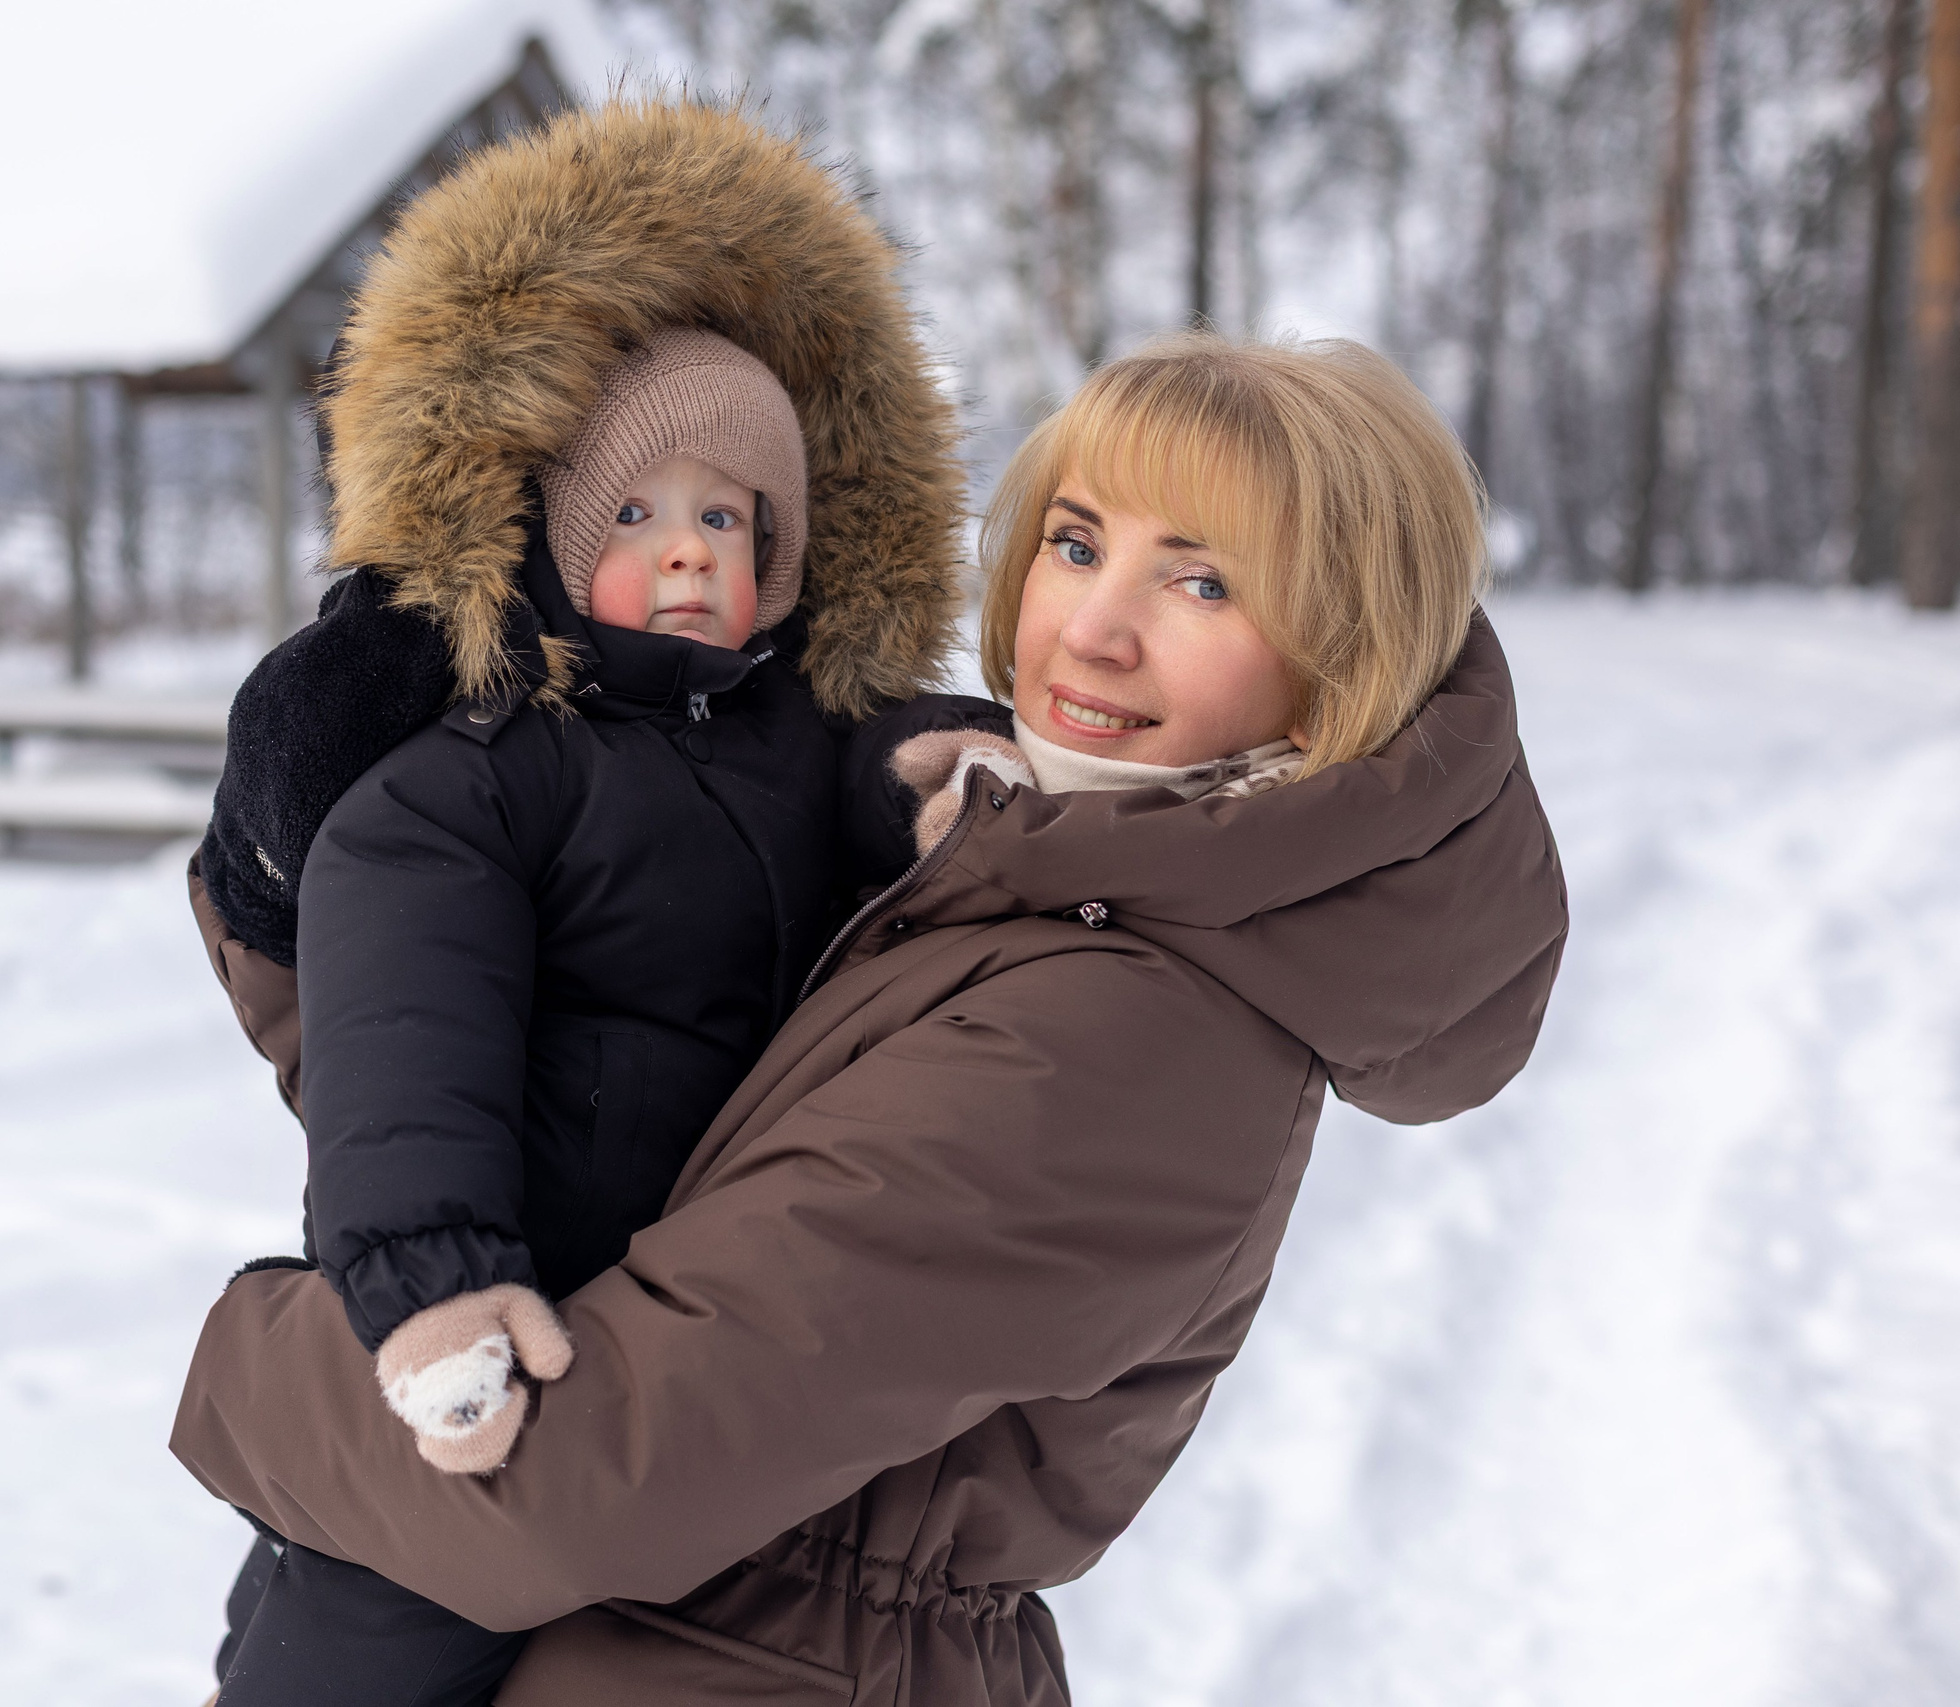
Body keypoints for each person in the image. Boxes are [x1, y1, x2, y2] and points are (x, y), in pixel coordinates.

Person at [175, 321, 1572, 1706]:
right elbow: (574, 1102)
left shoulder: (1123, 1038)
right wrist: (314, 888)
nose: (1093, 629)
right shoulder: (1003, 872)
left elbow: (576, 1482)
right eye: (1077, 544)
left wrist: (251, 1356)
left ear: (1338, 662)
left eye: (1203, 584)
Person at [185, 101, 996, 1705]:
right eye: (637, 514)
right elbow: (405, 1042)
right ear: (554, 536)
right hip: (494, 1304)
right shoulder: (482, 773)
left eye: (728, 519)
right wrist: (430, 1287)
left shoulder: (794, 743)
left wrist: (935, 769)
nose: (689, 554)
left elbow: (861, 769)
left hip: (677, 1358)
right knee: (377, 1620)